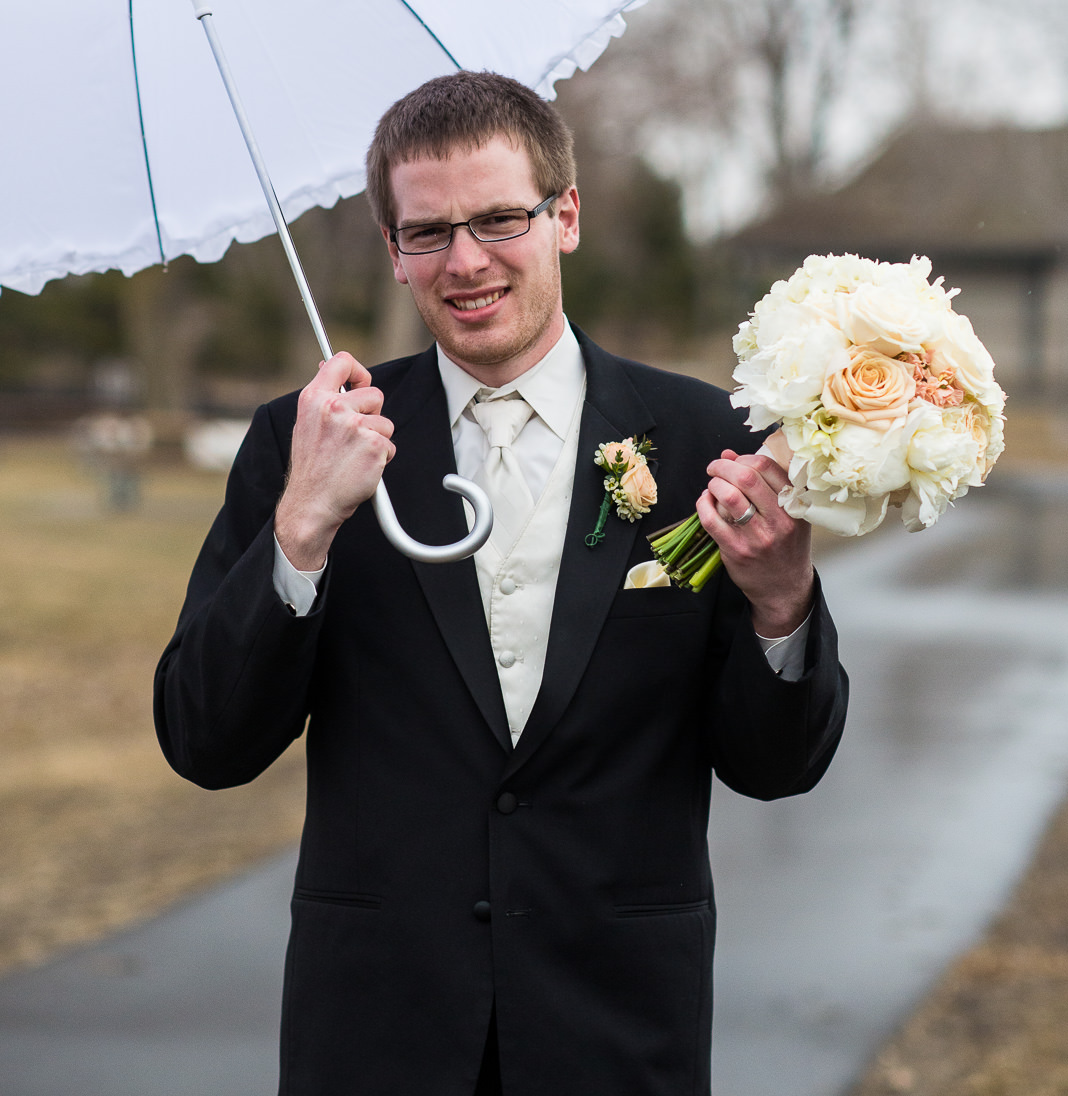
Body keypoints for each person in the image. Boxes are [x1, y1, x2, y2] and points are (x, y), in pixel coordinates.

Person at [155, 71, 848, 1096]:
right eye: (427, 231)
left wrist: (781, 604)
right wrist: (302, 526)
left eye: (498, 218)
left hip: (620, 1030)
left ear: (564, 216)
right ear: (391, 249)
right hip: (378, 1034)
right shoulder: (304, 440)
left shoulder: (710, 438)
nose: (466, 260)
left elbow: (776, 765)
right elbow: (205, 739)